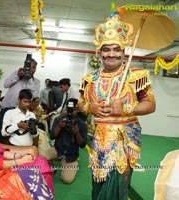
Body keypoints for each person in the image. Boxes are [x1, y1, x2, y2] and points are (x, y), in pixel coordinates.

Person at [77, 12, 156, 200]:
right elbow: (80, 103)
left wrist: (127, 108)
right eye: (106, 49)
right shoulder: (90, 79)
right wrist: (90, 108)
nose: (111, 54)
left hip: (123, 141)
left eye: (116, 49)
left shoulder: (136, 75)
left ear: (123, 52)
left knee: (117, 187)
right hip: (99, 140)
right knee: (98, 185)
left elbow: (150, 104)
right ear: (99, 52)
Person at [40, 98, 88, 184]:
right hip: (58, 150)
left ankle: (73, 162)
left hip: (71, 154)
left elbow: (83, 145)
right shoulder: (59, 119)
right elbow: (51, 137)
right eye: (69, 109)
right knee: (42, 155)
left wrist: (76, 133)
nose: (70, 112)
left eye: (73, 109)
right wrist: (59, 127)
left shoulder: (82, 124)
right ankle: (52, 166)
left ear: (77, 109)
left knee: (67, 180)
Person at [0, 58, 40, 141]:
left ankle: (11, 148)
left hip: (21, 111)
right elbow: (5, 84)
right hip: (6, 107)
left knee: (17, 133)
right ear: (24, 67)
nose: (31, 69)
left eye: (33, 67)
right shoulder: (16, 74)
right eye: (28, 67)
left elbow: (34, 95)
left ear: (35, 69)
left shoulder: (36, 81)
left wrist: (29, 79)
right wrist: (17, 76)